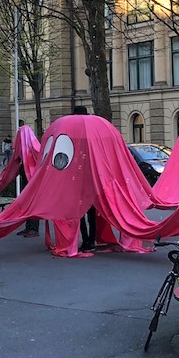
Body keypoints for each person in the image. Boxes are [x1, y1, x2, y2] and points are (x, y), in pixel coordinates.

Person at [72, 105, 97, 251]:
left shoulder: (73, 131)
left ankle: (86, 240)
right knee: (91, 214)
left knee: (80, 214)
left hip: (79, 183)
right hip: (91, 182)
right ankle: (91, 241)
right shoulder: (91, 129)